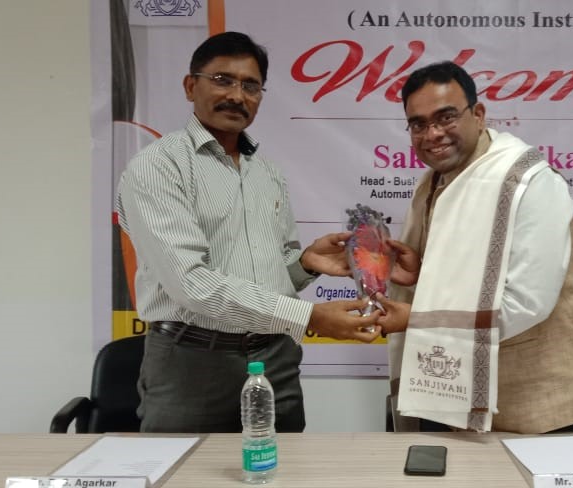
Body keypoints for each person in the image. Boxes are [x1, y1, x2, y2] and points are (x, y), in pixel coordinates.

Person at [115, 32, 380, 434]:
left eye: (250, 86)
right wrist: (309, 317)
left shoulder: (266, 172)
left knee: (284, 465)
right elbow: (191, 284)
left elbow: (269, 275)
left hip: (274, 360)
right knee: (186, 466)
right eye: (222, 80)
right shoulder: (158, 166)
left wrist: (304, 264)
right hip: (192, 362)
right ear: (190, 86)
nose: (237, 96)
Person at [376, 61, 573, 434]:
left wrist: (416, 319)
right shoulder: (433, 182)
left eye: (446, 117)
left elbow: (527, 304)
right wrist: (421, 273)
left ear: (479, 114)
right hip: (453, 389)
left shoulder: (529, 182)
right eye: (418, 124)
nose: (433, 134)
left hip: (540, 399)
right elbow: (472, 273)